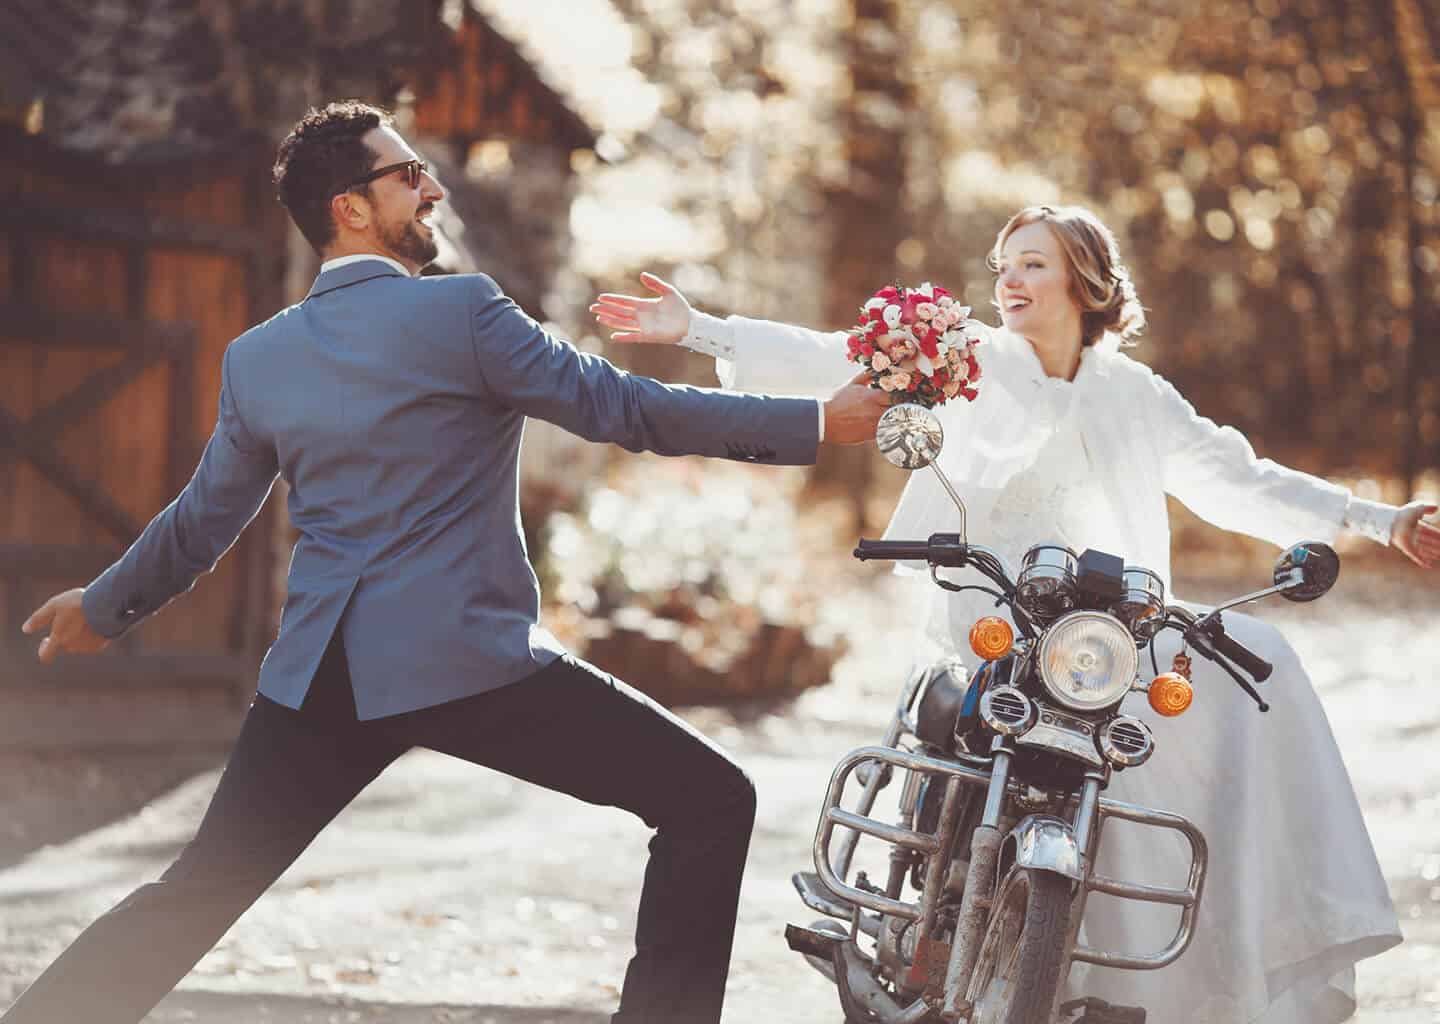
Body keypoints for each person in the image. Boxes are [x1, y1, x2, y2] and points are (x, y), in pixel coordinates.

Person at [4, 100, 891, 1024]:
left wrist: (105, 608)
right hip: (466, 664)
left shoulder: (258, 357)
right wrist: (812, 421)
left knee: (199, 888)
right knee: (711, 801)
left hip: (322, 675)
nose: (431, 188)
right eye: (407, 174)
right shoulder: (463, 311)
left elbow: (202, 522)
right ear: (349, 207)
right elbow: (623, 408)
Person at [591, 203, 1439, 1024]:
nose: (1009, 281)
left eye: (1033, 263)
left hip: (1101, 632)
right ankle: (921, 916)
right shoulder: (965, 359)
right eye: (1002, 267)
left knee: (1252, 662)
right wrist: (698, 329)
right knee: (957, 721)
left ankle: (1187, 950)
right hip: (993, 614)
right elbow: (831, 355)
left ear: (1087, 281)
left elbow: (1243, 477)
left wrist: (1382, 520)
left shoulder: (1136, 395)